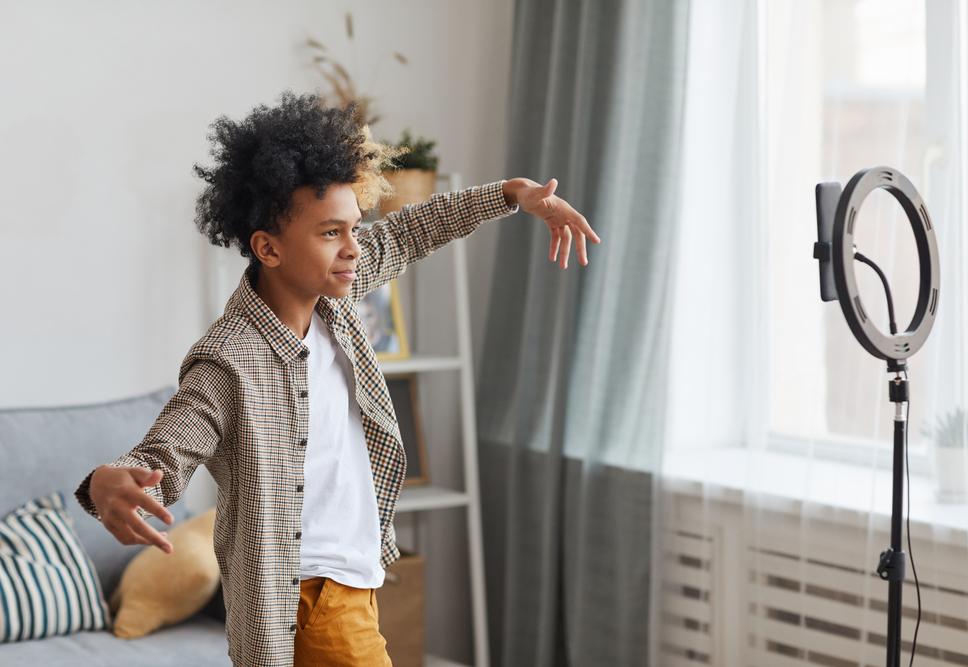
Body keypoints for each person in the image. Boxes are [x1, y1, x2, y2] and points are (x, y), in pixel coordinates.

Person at [73, 89, 599, 666]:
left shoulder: (333, 303)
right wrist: (112, 480)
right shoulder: (231, 359)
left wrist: (511, 195)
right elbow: (171, 446)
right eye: (330, 233)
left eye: (354, 228)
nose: (353, 249)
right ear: (267, 249)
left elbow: (408, 233)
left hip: (352, 580)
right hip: (309, 596)